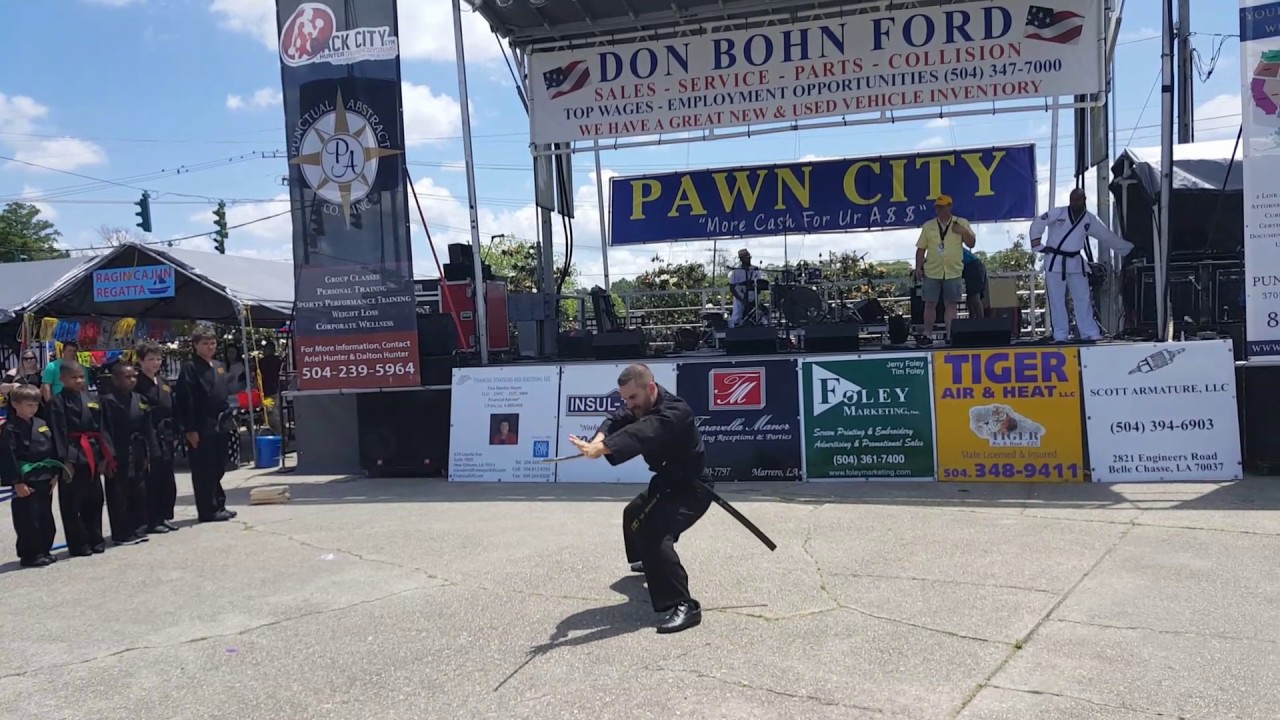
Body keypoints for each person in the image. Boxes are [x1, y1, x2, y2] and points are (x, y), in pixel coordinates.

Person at [568, 363, 712, 634]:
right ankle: (649, 562)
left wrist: (603, 448)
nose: (629, 404)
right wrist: (598, 439)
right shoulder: (639, 407)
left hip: (691, 489)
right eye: (625, 399)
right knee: (633, 513)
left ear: (651, 388)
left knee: (654, 535)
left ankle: (685, 604)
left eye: (633, 397)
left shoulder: (675, 411)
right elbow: (616, 420)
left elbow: (643, 432)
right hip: (666, 483)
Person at [1029, 188, 1134, 343]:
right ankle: (1060, 334)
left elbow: (1106, 236)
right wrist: (1038, 246)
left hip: (1076, 263)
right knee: (1057, 301)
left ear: (1084, 200)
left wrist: (1128, 250)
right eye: (1072, 200)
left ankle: (1089, 332)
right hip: (1054, 261)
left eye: (1077, 200)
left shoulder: (1089, 219)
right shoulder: (1058, 213)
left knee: (1083, 298)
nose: (1074, 203)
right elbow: (1038, 222)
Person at [48, 361, 110, 556]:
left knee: (95, 499)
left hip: (92, 451)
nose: (79, 380)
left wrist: (105, 455)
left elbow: (101, 428)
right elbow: (58, 432)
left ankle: (96, 539)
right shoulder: (57, 402)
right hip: (73, 453)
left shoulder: (91, 398)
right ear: (62, 379)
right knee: (72, 503)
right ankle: (78, 544)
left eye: (81, 377)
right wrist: (65, 461)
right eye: (73, 377)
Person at [0, 384, 66, 568]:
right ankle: (30, 554)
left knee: (45, 516)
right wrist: (17, 482)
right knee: (28, 518)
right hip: (26, 478)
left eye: (36, 405)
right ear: (15, 404)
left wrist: (54, 472)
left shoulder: (41, 424)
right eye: (29, 405)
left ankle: (44, 549)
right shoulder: (10, 428)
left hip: (44, 475)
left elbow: (52, 448)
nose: (33, 408)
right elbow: (8, 456)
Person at [176, 326, 236, 523]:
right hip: (201, 424)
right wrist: (190, 429)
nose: (210, 347)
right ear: (196, 345)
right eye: (205, 343)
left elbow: (223, 392)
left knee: (219, 464)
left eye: (212, 343)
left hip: (220, 423)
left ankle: (219, 503)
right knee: (204, 468)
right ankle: (208, 510)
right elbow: (186, 399)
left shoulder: (218, 365)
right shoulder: (190, 368)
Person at [102, 363, 159, 545]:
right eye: (127, 377)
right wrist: (108, 456)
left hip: (137, 449)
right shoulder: (107, 401)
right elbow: (104, 430)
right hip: (117, 452)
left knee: (139, 490)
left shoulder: (140, 399)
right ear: (115, 379)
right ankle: (121, 533)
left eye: (134, 376)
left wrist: (151, 450)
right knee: (118, 493)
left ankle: (138, 527)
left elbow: (148, 427)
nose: (132, 380)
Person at [914, 195, 976, 343]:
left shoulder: (961, 222)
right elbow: (921, 249)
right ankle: (927, 335)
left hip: (953, 271)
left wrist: (963, 232)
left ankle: (950, 336)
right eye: (938, 207)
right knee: (930, 304)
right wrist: (918, 267)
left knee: (951, 305)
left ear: (950, 207)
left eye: (943, 207)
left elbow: (971, 244)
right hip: (932, 271)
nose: (940, 210)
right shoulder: (928, 226)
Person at [133, 342, 179, 534]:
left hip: (165, 433)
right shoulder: (137, 384)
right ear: (140, 361)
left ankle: (163, 515)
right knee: (152, 478)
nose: (155, 363)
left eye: (158, 359)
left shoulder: (163, 381)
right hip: (149, 434)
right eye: (150, 359)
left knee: (166, 477)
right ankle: (151, 519)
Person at [728, 249, 768, 328]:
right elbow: (732, 288)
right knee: (736, 317)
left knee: (759, 315)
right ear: (741, 259)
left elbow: (759, 284)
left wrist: (756, 298)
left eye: (749, 257)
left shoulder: (755, 269)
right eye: (746, 257)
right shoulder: (736, 271)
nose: (749, 259)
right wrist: (741, 299)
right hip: (740, 298)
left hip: (753, 297)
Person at [256, 340, 285, 436]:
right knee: (275, 414)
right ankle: (281, 433)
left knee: (271, 414)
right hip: (275, 389)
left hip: (269, 391)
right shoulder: (278, 361)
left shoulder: (263, 362)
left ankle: (279, 434)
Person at [40, 339, 79, 404]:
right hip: (59, 402)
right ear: (63, 351)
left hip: (76, 401)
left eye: (74, 351)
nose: (72, 353)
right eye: (69, 350)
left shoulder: (79, 367)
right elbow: (46, 386)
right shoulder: (52, 366)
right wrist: (50, 404)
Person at [962, 247, 989, 320]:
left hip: (973, 266)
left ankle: (980, 322)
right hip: (971, 267)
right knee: (970, 298)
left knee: (974, 298)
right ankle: (973, 321)